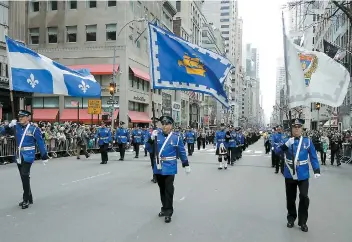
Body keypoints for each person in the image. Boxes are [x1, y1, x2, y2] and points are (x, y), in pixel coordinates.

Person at [275, 119, 320, 232]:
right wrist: (286, 145)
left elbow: (313, 156)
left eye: (298, 127)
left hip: (303, 174)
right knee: (290, 198)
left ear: (301, 129)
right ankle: (291, 218)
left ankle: (303, 221)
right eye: (294, 127)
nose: (296, 129)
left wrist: (316, 170)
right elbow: (277, 151)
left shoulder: (307, 141)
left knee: (304, 197)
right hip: (290, 173)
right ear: (291, 129)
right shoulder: (287, 140)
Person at [146, 116, 190, 223]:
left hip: (170, 167)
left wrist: (186, 164)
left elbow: (181, 151)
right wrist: (151, 140)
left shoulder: (176, 137)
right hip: (159, 166)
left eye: (166, 124)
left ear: (171, 125)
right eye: (163, 124)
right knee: (162, 189)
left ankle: (169, 211)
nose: (164, 126)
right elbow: (149, 149)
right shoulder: (157, 135)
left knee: (169, 189)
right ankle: (164, 208)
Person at [2, 110, 49, 209]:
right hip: (19, 155)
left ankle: (26, 199)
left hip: (28, 155)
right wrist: (8, 125)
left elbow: (40, 142)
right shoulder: (16, 127)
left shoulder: (34, 129)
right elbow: (1, 132)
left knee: (24, 175)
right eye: (19, 117)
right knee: (24, 177)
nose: (20, 118)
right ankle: (30, 196)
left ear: (28, 117)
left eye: (23, 117)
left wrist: (44, 155)